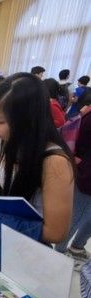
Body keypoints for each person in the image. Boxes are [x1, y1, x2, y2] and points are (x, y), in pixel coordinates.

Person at [0, 72, 74, 247]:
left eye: (0, 121)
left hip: (27, 249)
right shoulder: (13, 141)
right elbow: (7, 179)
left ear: (28, 119)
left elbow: (57, 233)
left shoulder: (55, 162)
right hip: (2, 238)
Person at [55, 91, 91, 267]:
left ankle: (77, 247)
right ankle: (59, 254)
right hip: (87, 178)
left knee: (85, 215)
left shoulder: (86, 113)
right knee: (78, 215)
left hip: (83, 173)